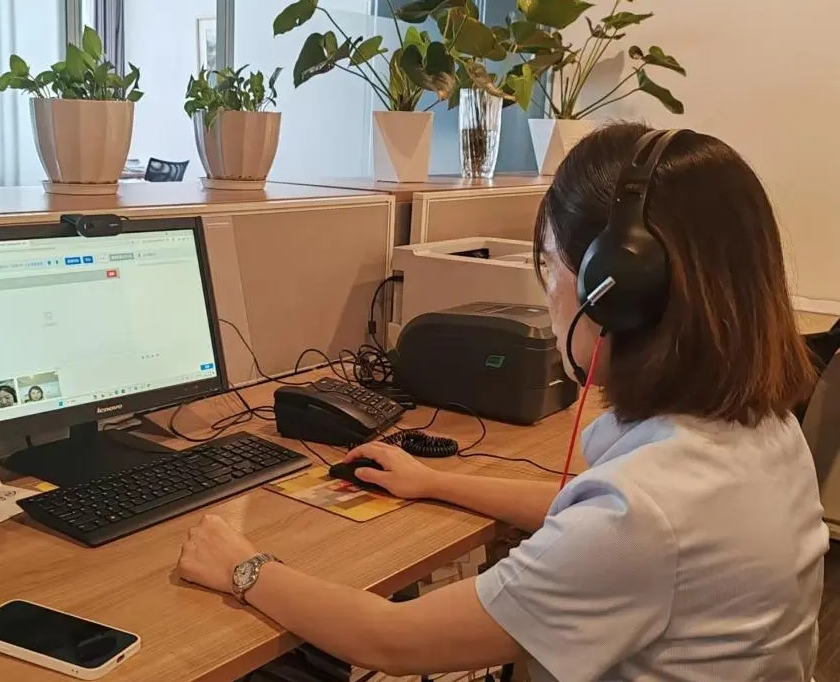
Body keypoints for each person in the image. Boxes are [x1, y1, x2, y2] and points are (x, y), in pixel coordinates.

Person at [177, 123, 828, 681]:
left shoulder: (647, 513)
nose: (547, 298)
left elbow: (390, 639)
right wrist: (436, 482)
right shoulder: (760, 431)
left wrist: (244, 567)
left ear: (615, 290)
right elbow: (592, 514)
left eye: (549, 265)